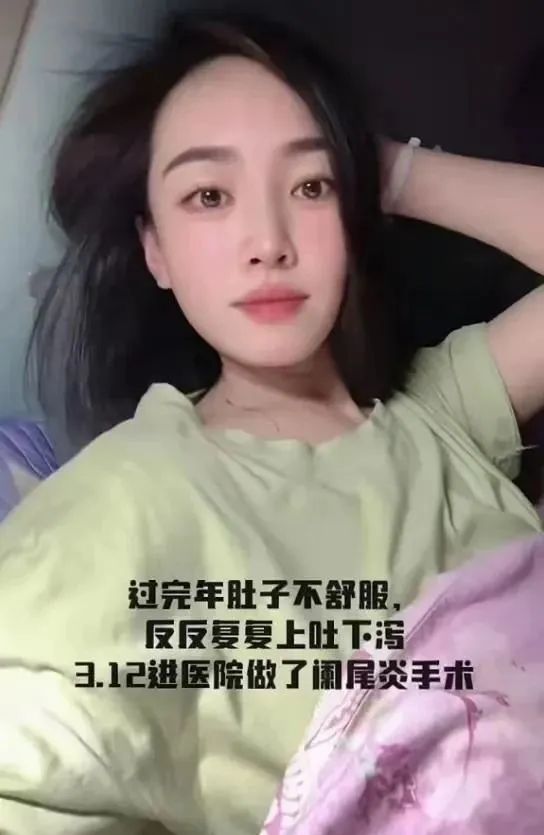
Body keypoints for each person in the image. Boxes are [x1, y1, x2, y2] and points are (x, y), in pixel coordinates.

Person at [0, 8, 543, 835]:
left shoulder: (438, 413)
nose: (268, 241)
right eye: (209, 195)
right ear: (155, 250)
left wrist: (385, 171)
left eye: (310, 187)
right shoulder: (119, 508)